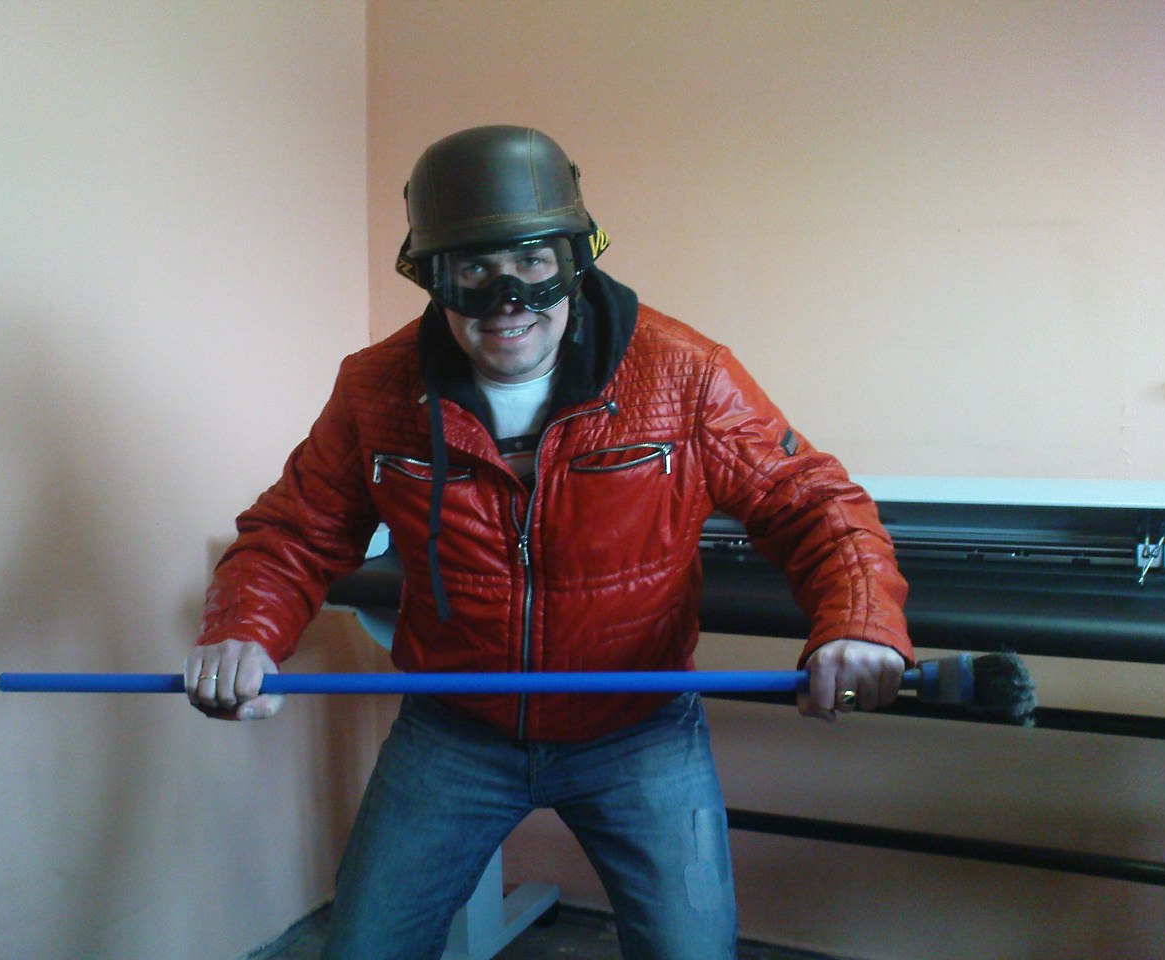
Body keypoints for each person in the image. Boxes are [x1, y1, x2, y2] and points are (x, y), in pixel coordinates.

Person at [187, 125, 912, 960]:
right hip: (454, 727)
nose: (508, 301)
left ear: (577, 258)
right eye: (473, 271)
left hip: (637, 725)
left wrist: (858, 621)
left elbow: (813, 504)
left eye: (533, 263)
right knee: (364, 949)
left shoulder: (684, 374)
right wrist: (243, 629)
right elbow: (294, 530)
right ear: (429, 275)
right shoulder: (375, 389)